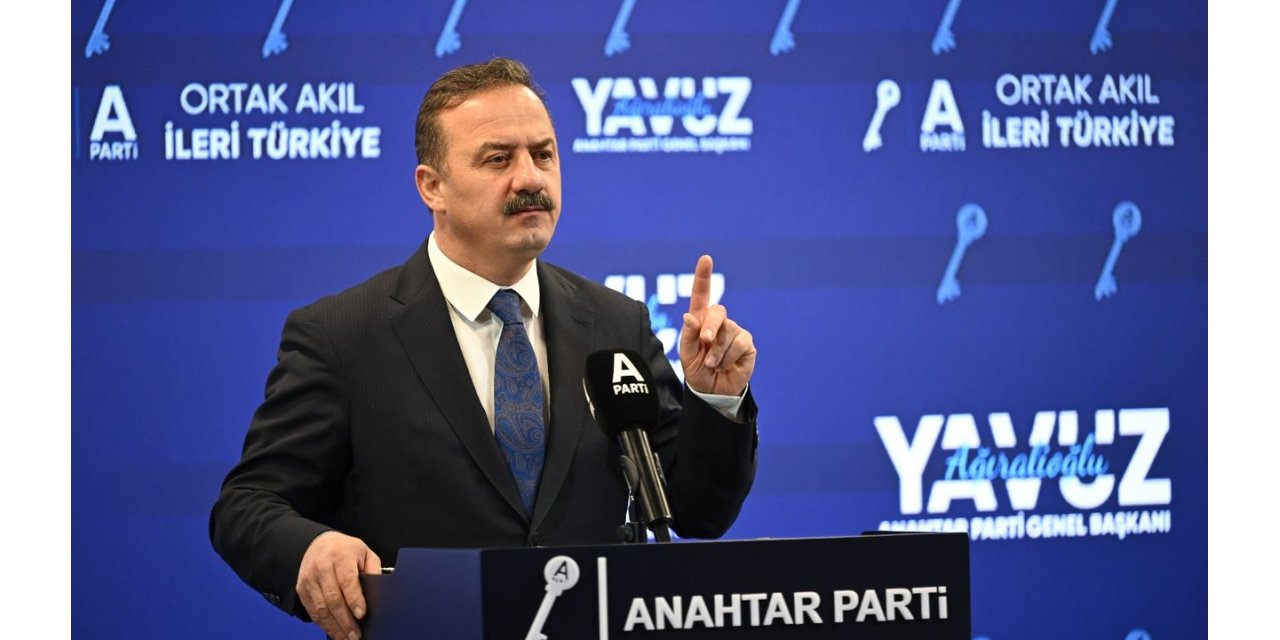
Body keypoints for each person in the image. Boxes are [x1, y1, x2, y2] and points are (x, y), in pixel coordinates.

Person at [209, 57, 758, 640]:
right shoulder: (342, 335)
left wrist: (714, 400)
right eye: (498, 159)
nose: (529, 178)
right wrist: (311, 548)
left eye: (543, 154)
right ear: (432, 187)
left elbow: (697, 510)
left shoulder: (616, 323)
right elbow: (247, 505)